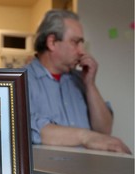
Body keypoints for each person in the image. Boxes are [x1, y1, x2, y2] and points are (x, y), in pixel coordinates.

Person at [25, 9, 131, 154]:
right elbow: (25, 127)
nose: (82, 51)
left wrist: (90, 84)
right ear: (52, 42)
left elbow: (104, 131)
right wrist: (85, 137)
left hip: (88, 172)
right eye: (76, 42)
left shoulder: (80, 79)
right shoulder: (21, 80)